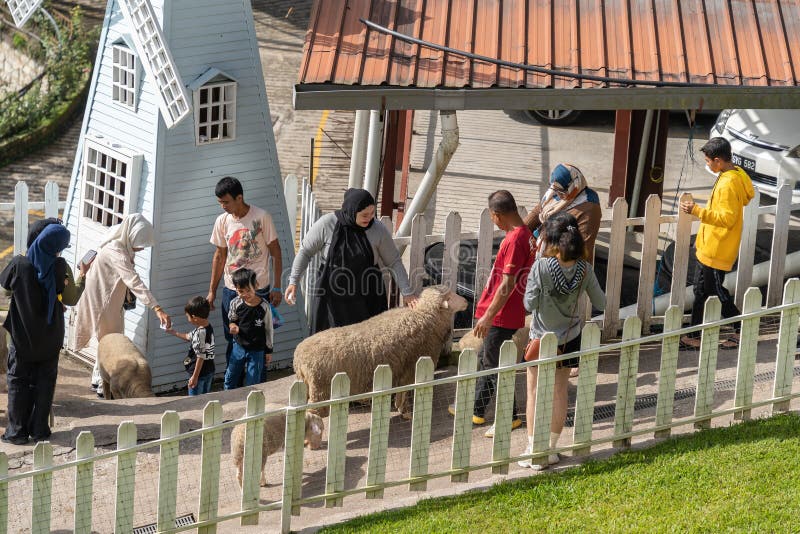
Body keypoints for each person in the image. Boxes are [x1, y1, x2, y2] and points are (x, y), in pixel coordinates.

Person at [518, 212, 605, 469]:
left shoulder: (541, 267)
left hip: (541, 338)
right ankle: (552, 449)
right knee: (559, 391)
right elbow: (601, 302)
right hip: (570, 337)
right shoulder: (584, 269)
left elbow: (528, 303)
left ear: (552, 240)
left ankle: (534, 450)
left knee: (533, 391)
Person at [448, 190, 534, 438]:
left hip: (501, 313)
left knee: (495, 365)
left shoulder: (515, 240)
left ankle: (510, 417)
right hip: (507, 310)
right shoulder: (524, 235)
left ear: (497, 215)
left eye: (492, 217)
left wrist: (487, 316)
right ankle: (477, 409)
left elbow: (507, 285)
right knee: (490, 360)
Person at [285, 188, 417, 334]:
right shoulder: (327, 223)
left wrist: (407, 292)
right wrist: (293, 281)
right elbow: (305, 252)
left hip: (367, 296)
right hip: (331, 297)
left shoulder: (378, 230)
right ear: (351, 211)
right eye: (364, 215)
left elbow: (394, 262)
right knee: (330, 342)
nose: (370, 218)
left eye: (372, 213)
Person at [74, 213, 171, 395]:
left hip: (111, 300)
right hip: (104, 302)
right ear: (131, 235)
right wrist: (156, 308)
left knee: (110, 340)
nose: (141, 249)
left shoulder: (118, 237)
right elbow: (133, 280)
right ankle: (101, 384)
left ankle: (100, 381)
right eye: (140, 243)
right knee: (109, 342)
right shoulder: (116, 252)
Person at [679, 137, 754, 350]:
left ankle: (742, 330)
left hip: (716, 248)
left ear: (718, 161)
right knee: (700, 291)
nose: (707, 164)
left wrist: (696, 211)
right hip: (709, 247)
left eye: (708, 161)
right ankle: (693, 335)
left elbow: (727, 219)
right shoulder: (734, 174)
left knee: (716, 291)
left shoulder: (729, 183)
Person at [1, 224, 72, 445]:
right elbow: (66, 294)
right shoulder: (59, 266)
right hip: (51, 338)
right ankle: (39, 430)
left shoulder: (20, 264)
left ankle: (16, 432)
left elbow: (5, 285)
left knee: (18, 382)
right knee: (45, 383)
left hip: (23, 338)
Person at [208, 176, 282, 368]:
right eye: (220, 202)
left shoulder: (261, 217)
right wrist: (212, 291)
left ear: (239, 198)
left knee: (258, 335)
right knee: (232, 335)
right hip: (231, 290)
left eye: (226, 202)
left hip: (258, 289)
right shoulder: (222, 221)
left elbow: (276, 251)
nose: (223, 206)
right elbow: (219, 256)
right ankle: (233, 381)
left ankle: (256, 379)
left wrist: (277, 287)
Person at [524, 163, 602, 261]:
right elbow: (537, 212)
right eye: (555, 190)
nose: (558, 195)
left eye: (561, 191)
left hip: (564, 261)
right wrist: (519, 233)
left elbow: (582, 245)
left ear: (575, 185)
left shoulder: (590, 207)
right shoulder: (554, 192)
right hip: (541, 250)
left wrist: (548, 256)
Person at [225, 268, 273, 389]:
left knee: (253, 381)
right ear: (235, 289)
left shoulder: (264, 306)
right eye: (241, 291)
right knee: (230, 378)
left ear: (256, 286)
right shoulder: (235, 303)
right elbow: (232, 320)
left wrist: (268, 351)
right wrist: (233, 326)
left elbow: (269, 329)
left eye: (248, 290)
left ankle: (251, 404)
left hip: (257, 350)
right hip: (238, 346)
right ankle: (226, 399)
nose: (245, 294)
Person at [167, 297, 215, 396]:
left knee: (195, 401)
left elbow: (200, 356)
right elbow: (188, 337)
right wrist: (173, 332)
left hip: (199, 374)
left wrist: (194, 377)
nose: (187, 319)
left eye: (187, 316)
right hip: (209, 370)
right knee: (205, 398)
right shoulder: (206, 327)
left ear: (194, 318)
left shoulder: (199, 334)